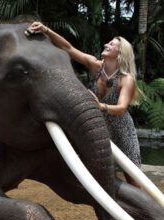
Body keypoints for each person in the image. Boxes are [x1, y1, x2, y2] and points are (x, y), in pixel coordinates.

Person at [27, 22, 141, 188]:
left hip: (121, 130)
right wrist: (45, 30)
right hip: (99, 128)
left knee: (133, 178)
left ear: (120, 53)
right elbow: (69, 48)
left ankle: (144, 211)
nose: (106, 44)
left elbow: (122, 108)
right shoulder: (95, 66)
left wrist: (100, 107)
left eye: (111, 44)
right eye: (108, 42)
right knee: (107, 176)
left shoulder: (126, 80)